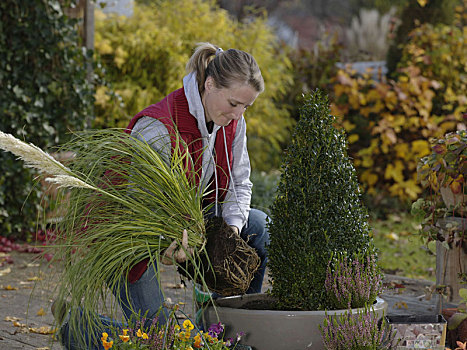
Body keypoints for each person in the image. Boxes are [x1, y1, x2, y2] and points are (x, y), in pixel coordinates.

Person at [54, 42, 270, 349]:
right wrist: (166, 247)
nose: (238, 114)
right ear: (209, 84)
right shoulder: (157, 126)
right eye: (235, 103)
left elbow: (240, 183)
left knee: (258, 226)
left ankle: (224, 328)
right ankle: (80, 330)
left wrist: (231, 235)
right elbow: (139, 210)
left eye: (246, 107)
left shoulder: (232, 121)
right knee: (160, 339)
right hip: (128, 238)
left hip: (186, 229)